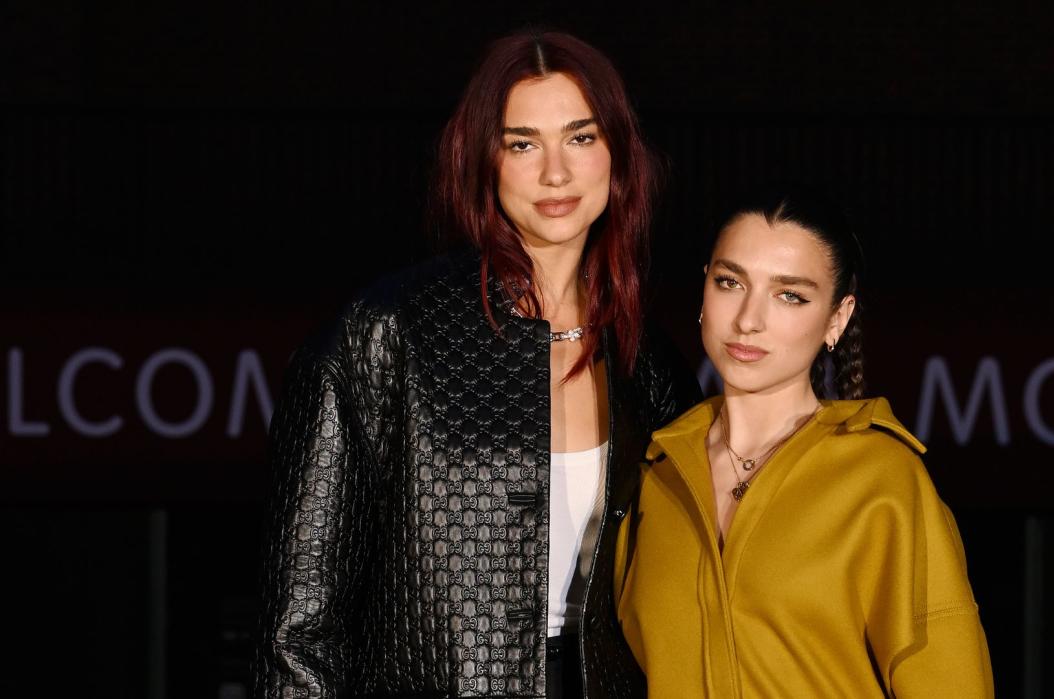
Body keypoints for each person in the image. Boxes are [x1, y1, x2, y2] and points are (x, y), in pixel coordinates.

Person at [254, 30, 700, 698]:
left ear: (618, 155)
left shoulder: (647, 361)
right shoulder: (385, 333)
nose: (556, 172)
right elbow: (296, 634)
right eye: (522, 143)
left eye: (580, 137)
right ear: (484, 161)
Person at [614, 187, 994, 697]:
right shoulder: (655, 474)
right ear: (703, 290)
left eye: (789, 295)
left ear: (837, 319)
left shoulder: (880, 477)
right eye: (729, 282)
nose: (749, 319)